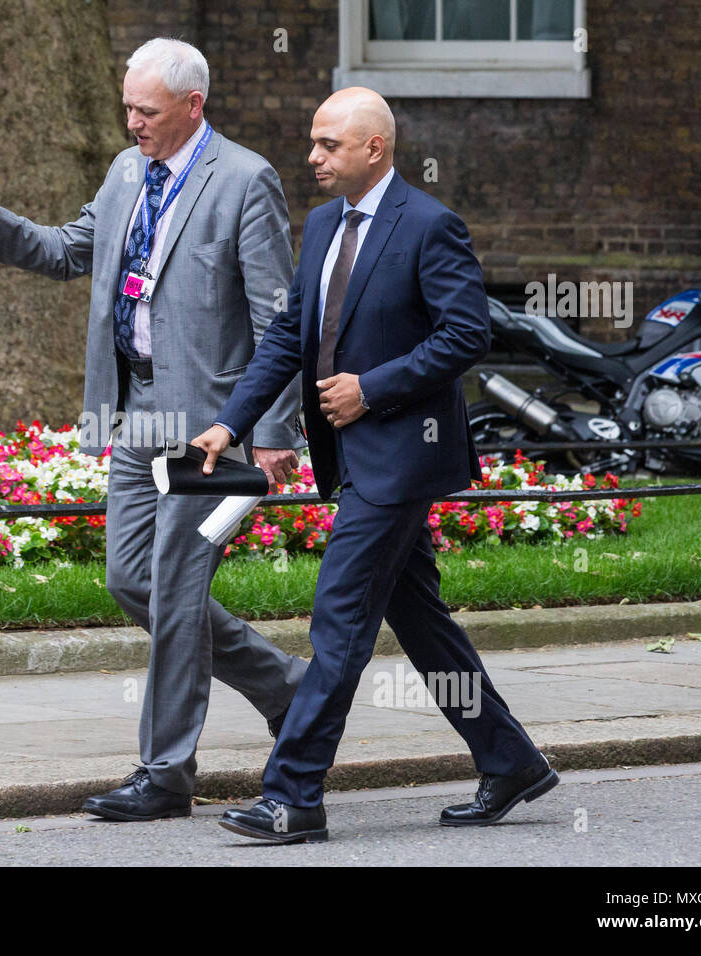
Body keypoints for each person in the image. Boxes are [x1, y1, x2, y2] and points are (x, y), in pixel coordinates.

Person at [193, 87, 558, 843]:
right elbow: (291, 333)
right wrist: (231, 424)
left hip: (400, 457)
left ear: (374, 150)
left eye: (328, 144)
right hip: (350, 458)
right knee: (421, 623)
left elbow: (467, 335)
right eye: (314, 143)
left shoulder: (429, 227)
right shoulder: (324, 224)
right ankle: (510, 759)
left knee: (341, 619)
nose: (313, 157)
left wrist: (373, 387)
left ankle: (294, 794)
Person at [0, 37, 308, 822]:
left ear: (193, 106)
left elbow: (278, 319)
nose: (132, 122)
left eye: (145, 111)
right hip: (135, 410)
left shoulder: (246, 180)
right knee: (132, 582)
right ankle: (289, 687)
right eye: (127, 107)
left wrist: (275, 428)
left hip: (212, 426)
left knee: (179, 591)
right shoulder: (125, 172)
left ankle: (166, 774)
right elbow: (69, 251)